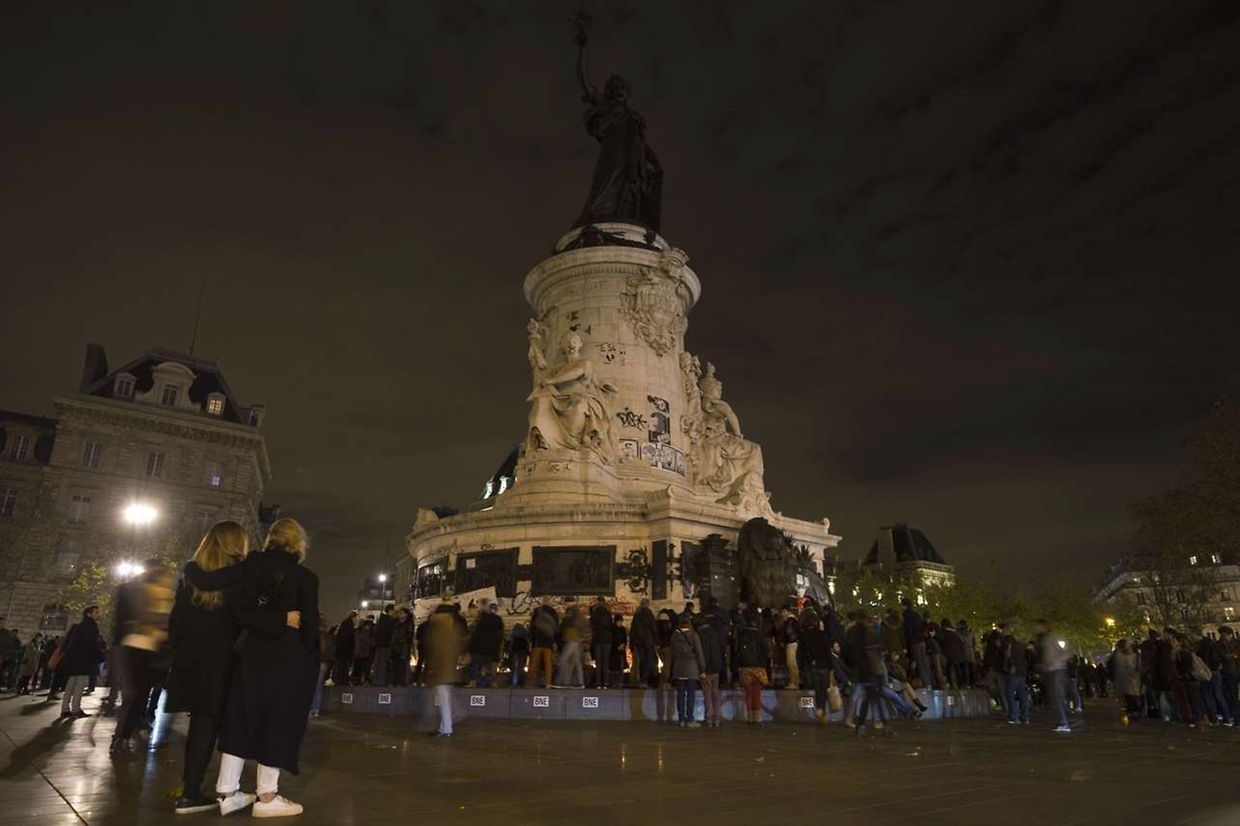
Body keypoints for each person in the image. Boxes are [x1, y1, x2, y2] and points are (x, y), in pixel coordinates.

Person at [167, 521, 299, 813]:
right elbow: (247, 616)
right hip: (226, 661)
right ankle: (233, 791)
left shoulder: (192, 574)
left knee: (201, 725)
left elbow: (175, 623)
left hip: (191, 661)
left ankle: (192, 791)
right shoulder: (242, 576)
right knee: (228, 725)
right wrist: (282, 620)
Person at [214, 518, 320, 818]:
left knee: (241, 718)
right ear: (298, 543)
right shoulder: (304, 578)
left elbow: (240, 613)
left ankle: (227, 792)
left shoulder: (250, 568)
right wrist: (287, 622)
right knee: (277, 722)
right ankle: (267, 795)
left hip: (251, 655)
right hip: (287, 660)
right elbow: (309, 630)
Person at [425, 601, 464, 737]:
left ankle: (447, 728)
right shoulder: (453, 624)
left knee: (444, 698)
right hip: (449, 668)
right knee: (446, 697)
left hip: (441, 668)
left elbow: (437, 648)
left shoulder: (441, 626)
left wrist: (432, 667)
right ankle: (446, 726)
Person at [57, 606, 103, 720]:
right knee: (80, 686)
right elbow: (92, 645)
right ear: (89, 614)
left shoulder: (78, 627)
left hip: (74, 661)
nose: (98, 614)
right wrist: (100, 656)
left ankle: (65, 709)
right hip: (84, 661)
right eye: (96, 612)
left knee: (70, 685)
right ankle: (76, 709)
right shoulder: (91, 627)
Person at [668, 613, 705, 727]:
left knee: (680, 694)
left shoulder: (674, 635)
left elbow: (671, 653)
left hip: (678, 667)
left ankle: (681, 719)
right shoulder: (694, 635)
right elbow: (699, 653)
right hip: (691, 668)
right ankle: (690, 719)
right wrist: (702, 669)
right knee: (690, 694)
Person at [1035, 620, 1070, 733]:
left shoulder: (1052, 638)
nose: (1035, 629)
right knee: (1055, 697)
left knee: (1056, 696)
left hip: (1056, 669)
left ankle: (1063, 722)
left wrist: (1054, 662)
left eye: (1037, 626)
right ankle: (1062, 721)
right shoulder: (1042, 639)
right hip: (1050, 670)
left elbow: (1067, 652)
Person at [736, 610, 769, 725]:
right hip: (759, 668)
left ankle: (750, 718)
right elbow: (766, 652)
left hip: (746, 668)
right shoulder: (761, 636)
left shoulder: (743, 635)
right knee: (757, 694)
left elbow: (738, 651)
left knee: (749, 693)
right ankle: (757, 718)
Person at [695, 615, 723, 726]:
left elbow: (701, 654)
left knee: (707, 694)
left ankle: (709, 717)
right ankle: (717, 717)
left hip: (705, 670)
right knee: (715, 693)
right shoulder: (714, 633)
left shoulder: (699, 636)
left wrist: (702, 669)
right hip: (715, 669)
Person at [467, 601, 504, 688]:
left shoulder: (482, 618)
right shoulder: (498, 620)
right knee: (492, 666)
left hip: (479, 646)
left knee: (475, 664)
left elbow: (475, 632)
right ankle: (493, 682)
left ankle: (474, 681)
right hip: (492, 647)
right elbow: (500, 635)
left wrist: (470, 646)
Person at [1000, 624, 1030, 725]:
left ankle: (1013, 716)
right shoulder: (1018, 643)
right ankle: (1024, 716)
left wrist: (1010, 665)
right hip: (1022, 670)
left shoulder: (1007, 642)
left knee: (1009, 692)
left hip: (1014, 670)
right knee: (1022, 693)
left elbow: (1007, 655)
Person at [901, 598, 932, 689]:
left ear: (904, 605)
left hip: (914, 642)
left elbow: (908, 629)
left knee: (919, 663)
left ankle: (926, 684)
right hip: (922, 641)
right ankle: (930, 682)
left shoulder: (906, 615)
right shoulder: (916, 615)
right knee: (925, 662)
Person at [529, 598, 558, 689]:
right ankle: (548, 684)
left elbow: (532, 627)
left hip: (537, 641)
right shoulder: (553, 613)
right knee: (548, 664)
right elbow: (556, 629)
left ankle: (531, 683)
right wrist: (555, 642)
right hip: (548, 642)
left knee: (534, 664)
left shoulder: (537, 611)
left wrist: (531, 639)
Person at [1109, 638, 1141, 721]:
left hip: (1129, 678)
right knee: (1129, 695)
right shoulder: (1120, 655)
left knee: (1131, 695)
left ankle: (1133, 710)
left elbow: (1137, 666)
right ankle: (1133, 710)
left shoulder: (1121, 655)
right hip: (1127, 678)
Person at [628, 598, 657, 688]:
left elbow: (633, 631)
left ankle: (641, 680)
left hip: (638, 643)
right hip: (648, 642)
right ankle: (644, 680)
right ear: (647, 605)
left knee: (642, 662)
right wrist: (657, 642)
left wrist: (631, 644)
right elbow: (654, 629)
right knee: (649, 661)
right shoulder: (650, 615)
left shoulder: (637, 616)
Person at [556, 606, 586, 687]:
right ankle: (581, 683)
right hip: (577, 641)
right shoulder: (580, 619)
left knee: (563, 660)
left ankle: (559, 681)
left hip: (571, 640)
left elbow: (562, 627)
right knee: (577, 663)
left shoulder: (568, 619)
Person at [588, 596, 612, 688]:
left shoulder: (594, 613)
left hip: (597, 639)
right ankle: (605, 682)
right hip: (607, 639)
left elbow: (591, 624)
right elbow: (610, 625)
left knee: (598, 662)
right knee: (605, 662)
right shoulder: (608, 613)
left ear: (597, 602)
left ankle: (598, 683)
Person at [371, 606, 396, 686]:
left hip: (379, 645)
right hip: (385, 645)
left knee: (378, 664)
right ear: (390, 611)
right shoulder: (389, 621)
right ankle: (381, 681)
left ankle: (376, 680)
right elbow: (390, 633)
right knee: (383, 664)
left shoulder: (381, 620)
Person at [391, 608, 414, 687]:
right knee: (395, 665)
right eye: (399, 613)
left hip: (404, 646)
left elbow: (409, 635)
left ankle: (403, 682)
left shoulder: (409, 623)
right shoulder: (396, 622)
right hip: (395, 646)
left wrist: (401, 641)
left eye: (402, 613)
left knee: (403, 665)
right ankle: (395, 682)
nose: (400, 614)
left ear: (406, 614)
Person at [333, 612, 356, 685]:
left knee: (340, 665)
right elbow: (350, 638)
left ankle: (338, 680)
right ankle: (343, 680)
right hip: (346, 649)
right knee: (344, 665)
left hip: (341, 648)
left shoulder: (344, 623)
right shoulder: (349, 624)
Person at [608, 614, 627, 688]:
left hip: (621, 651)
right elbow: (612, 639)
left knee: (621, 667)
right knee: (613, 668)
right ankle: (613, 682)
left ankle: (620, 682)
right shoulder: (612, 629)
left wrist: (623, 645)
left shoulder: (623, 629)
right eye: (619, 621)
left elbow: (625, 639)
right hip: (614, 651)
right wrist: (617, 645)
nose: (620, 623)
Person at [352, 618, 374, 685]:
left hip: (357, 653)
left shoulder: (356, 631)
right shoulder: (366, 632)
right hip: (364, 653)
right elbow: (368, 642)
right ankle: (363, 681)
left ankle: (355, 680)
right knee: (364, 668)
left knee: (357, 668)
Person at [508, 622, 530, 687]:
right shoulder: (525, 633)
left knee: (514, 665)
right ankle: (519, 680)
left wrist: (510, 650)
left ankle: (513, 681)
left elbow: (511, 641)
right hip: (523, 649)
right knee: (520, 665)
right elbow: (528, 641)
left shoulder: (514, 633)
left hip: (515, 648)